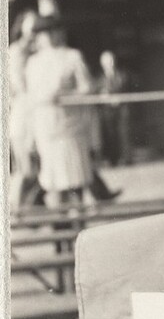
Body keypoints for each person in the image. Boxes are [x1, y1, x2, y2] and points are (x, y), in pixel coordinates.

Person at [24, 16, 121, 206]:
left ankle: (77, 224)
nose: (49, 38)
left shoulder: (72, 56)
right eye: (43, 34)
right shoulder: (33, 62)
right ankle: (61, 229)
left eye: (53, 32)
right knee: (54, 180)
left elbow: (87, 88)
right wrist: (31, 132)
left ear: (60, 33)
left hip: (70, 127)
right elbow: (31, 97)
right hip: (46, 126)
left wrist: (65, 94)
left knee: (75, 178)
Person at [8, 9, 41, 208]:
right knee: (26, 170)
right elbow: (21, 86)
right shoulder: (16, 52)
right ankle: (17, 209)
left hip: (36, 116)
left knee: (38, 170)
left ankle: (30, 209)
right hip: (23, 116)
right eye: (31, 26)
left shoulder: (35, 52)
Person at [96, 50, 132, 166]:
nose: (109, 63)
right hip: (107, 110)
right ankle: (113, 159)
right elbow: (97, 91)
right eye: (106, 61)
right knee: (110, 134)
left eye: (111, 60)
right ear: (102, 63)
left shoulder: (122, 75)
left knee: (124, 132)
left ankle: (126, 158)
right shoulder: (99, 79)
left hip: (121, 108)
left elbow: (126, 88)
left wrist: (118, 97)